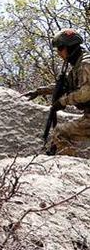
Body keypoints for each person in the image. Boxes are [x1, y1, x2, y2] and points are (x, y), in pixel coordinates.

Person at [24, 28, 90, 156]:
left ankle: (71, 169)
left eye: (60, 49)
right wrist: (40, 91)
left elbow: (86, 93)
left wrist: (63, 101)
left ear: (69, 48)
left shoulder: (85, 64)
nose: (59, 53)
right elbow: (65, 86)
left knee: (60, 132)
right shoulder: (78, 65)